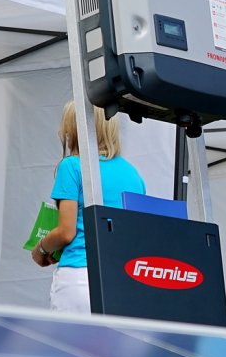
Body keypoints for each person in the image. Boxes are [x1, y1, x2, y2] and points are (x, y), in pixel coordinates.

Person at [31, 101, 145, 312]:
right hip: (122, 280)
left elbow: (66, 232)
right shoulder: (133, 175)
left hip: (80, 277)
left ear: (74, 129)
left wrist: (40, 249)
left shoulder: (72, 166)